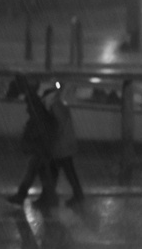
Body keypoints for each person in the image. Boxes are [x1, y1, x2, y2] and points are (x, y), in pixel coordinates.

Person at [6, 76, 57, 207]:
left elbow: (38, 122)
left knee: (35, 170)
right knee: (39, 171)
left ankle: (23, 196)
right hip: (44, 143)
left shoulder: (33, 101)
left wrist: (31, 138)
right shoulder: (35, 100)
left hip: (41, 144)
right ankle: (47, 198)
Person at [45, 85, 84, 204]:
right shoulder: (60, 104)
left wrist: (52, 137)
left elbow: (59, 125)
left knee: (65, 170)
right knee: (60, 170)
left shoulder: (56, 106)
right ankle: (51, 195)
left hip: (61, 144)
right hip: (64, 143)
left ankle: (76, 195)